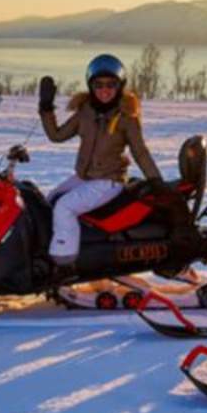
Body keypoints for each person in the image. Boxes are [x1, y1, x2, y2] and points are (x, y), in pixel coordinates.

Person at [37, 54, 165, 277]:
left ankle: (64, 263)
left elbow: (140, 152)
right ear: (91, 86)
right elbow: (57, 135)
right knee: (50, 201)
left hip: (109, 181)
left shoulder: (126, 117)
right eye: (99, 85)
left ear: (120, 86)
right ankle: (50, 247)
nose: (104, 90)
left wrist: (156, 181)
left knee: (65, 207)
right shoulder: (85, 112)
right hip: (84, 177)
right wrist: (46, 108)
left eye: (111, 85)